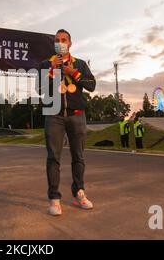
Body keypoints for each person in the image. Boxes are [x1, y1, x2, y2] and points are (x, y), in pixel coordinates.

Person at [37, 29, 96, 216]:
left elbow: (92, 85)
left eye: (64, 40)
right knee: (53, 157)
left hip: (77, 114)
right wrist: (52, 70)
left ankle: (79, 192)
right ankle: (54, 198)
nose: (60, 43)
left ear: (70, 43)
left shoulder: (79, 64)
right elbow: (40, 89)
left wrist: (75, 73)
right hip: (53, 114)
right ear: (53, 44)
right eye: (57, 40)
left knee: (78, 156)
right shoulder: (45, 64)